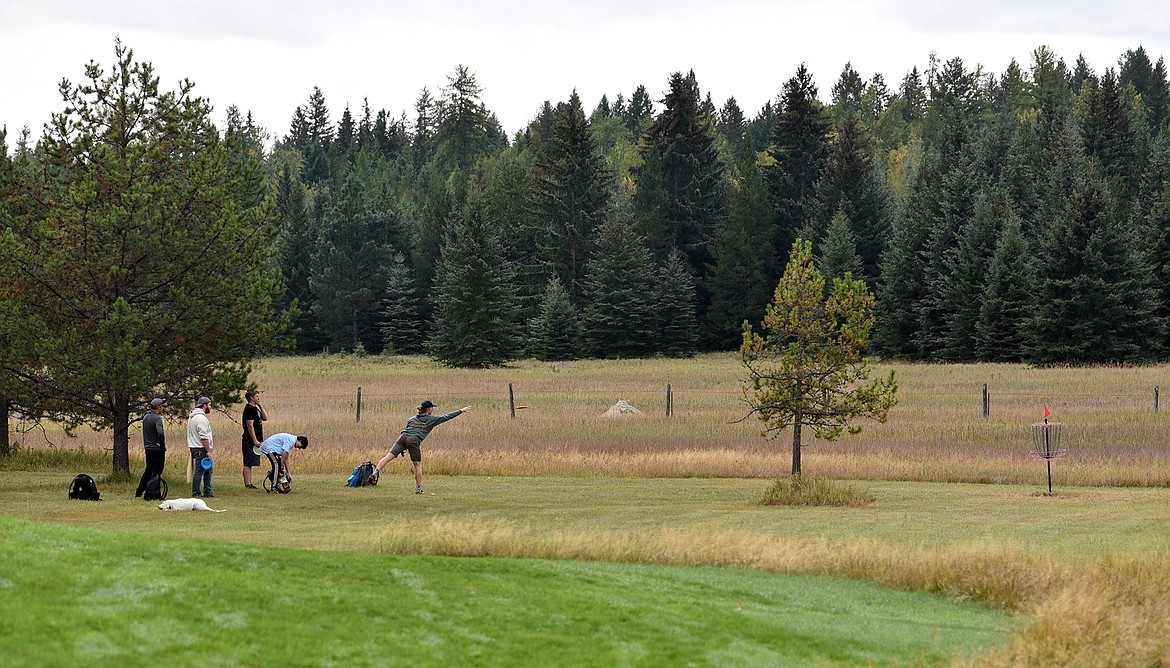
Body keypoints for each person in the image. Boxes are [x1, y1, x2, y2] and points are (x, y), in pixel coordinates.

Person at [373, 400, 471, 495]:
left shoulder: (412, 418)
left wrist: (404, 447)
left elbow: (405, 429)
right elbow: (446, 417)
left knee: (388, 456)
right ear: (428, 409)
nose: (432, 409)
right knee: (417, 464)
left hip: (402, 437)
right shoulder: (431, 419)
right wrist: (461, 410)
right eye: (432, 407)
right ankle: (418, 489)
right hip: (413, 440)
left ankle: (375, 473)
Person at [134, 398, 166, 497]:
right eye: (162, 406)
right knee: (157, 471)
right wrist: (162, 445)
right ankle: (153, 492)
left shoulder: (146, 417)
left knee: (148, 470)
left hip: (148, 448)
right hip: (157, 449)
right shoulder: (157, 419)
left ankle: (139, 490)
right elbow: (160, 433)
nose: (163, 408)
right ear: (158, 407)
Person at [187, 396, 215, 498]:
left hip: (194, 446)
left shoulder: (192, 417)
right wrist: (208, 450)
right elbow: (203, 436)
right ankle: (196, 493)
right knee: (199, 471)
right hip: (200, 448)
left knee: (208, 470)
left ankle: (208, 492)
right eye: (209, 405)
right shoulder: (201, 418)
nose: (210, 407)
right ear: (204, 405)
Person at [241, 390, 267, 489]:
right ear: (251, 398)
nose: (258, 398)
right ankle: (247, 484)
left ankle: (250, 483)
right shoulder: (249, 409)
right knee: (248, 462)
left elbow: (265, 418)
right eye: (256, 396)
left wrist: (260, 406)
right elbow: (250, 425)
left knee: (251, 462)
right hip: (249, 440)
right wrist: (255, 440)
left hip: (256, 439)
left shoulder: (255, 408)